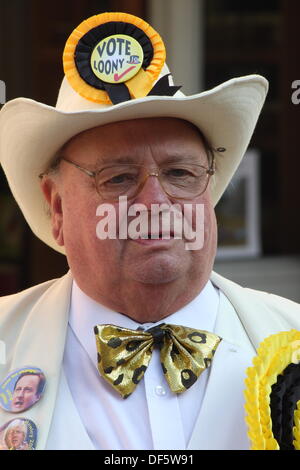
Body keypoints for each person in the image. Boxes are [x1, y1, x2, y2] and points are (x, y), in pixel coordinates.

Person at [0, 12, 299, 451]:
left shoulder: (292, 337)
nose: (156, 205)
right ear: (57, 207)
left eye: (180, 173)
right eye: (118, 178)